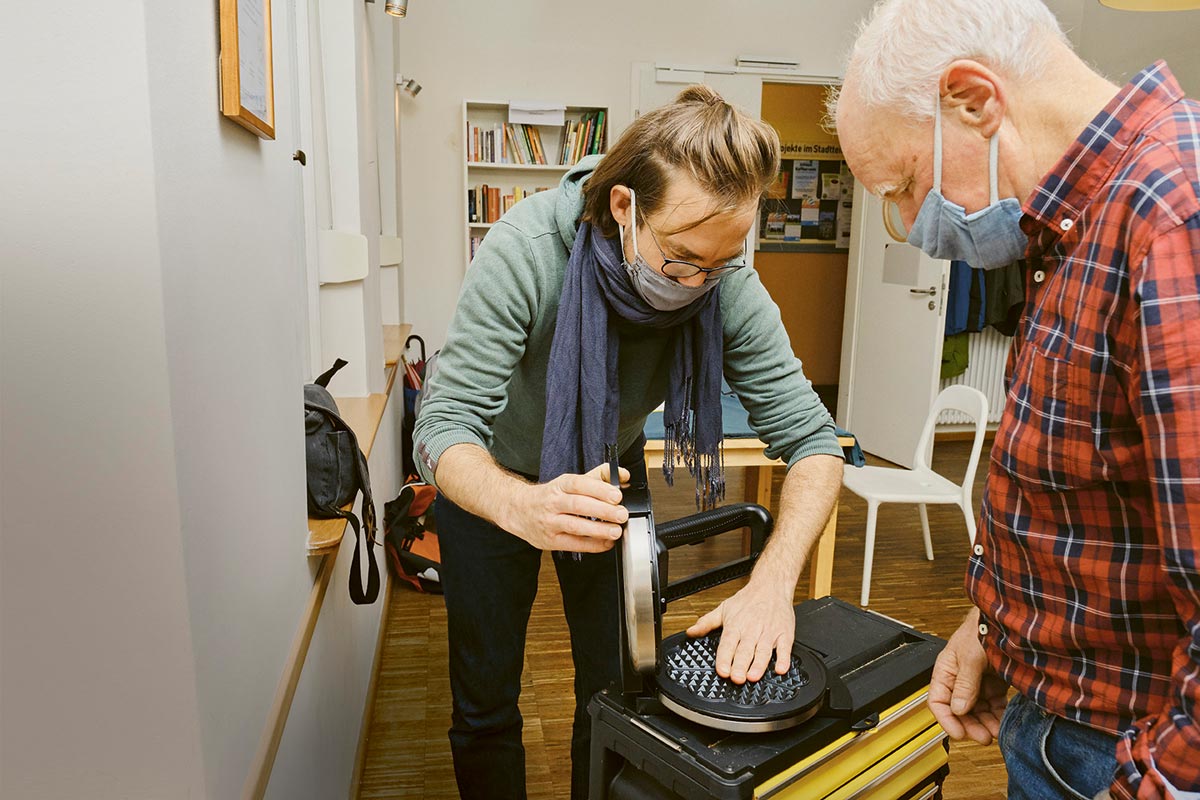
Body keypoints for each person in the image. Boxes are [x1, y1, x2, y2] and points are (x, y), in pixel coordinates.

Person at [412, 86, 845, 800]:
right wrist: (522, 508)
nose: (697, 284)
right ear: (624, 207)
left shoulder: (722, 280)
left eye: (719, 265)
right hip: (488, 484)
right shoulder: (525, 249)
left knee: (618, 691)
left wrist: (772, 585)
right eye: (680, 262)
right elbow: (442, 425)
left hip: (609, 475)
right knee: (485, 701)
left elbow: (815, 442)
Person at [831, 1, 1200, 798]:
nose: (907, 224)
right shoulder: (1071, 228)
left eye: (905, 185)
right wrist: (995, 630)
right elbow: (1087, 498)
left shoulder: (1172, 214)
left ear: (975, 98)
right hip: (1056, 717)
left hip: (1126, 755)